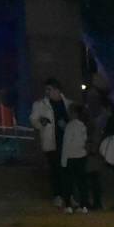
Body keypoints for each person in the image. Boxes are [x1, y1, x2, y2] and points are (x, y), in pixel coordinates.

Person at [30, 78, 74, 207]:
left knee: (67, 169)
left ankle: (68, 194)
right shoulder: (39, 105)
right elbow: (33, 120)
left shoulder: (69, 104)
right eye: (46, 89)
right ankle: (58, 195)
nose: (46, 92)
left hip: (67, 142)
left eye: (49, 89)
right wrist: (40, 124)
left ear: (57, 90)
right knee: (54, 169)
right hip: (51, 141)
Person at [58, 109, 88, 213]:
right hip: (82, 156)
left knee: (68, 183)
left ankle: (68, 206)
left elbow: (66, 143)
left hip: (71, 157)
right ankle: (83, 206)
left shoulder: (71, 125)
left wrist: (63, 160)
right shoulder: (83, 126)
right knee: (82, 183)